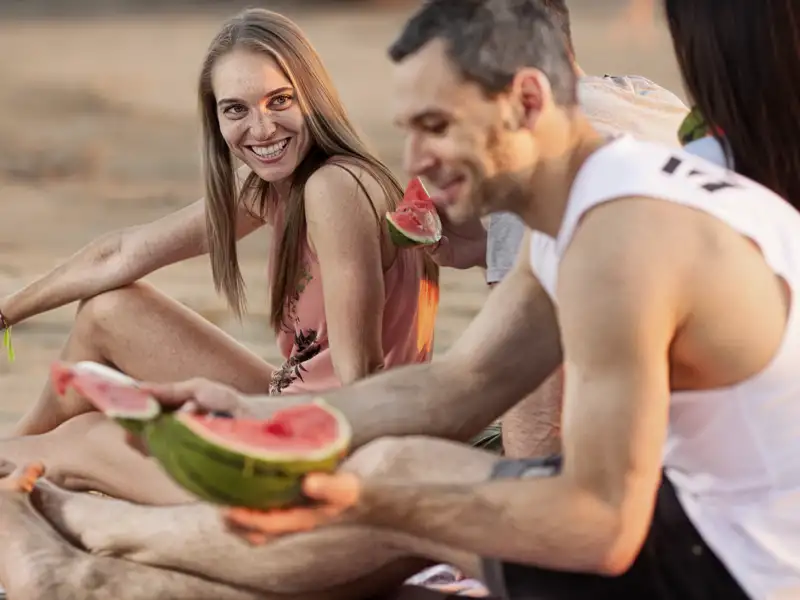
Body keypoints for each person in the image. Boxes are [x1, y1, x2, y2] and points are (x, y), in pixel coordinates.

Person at [2, 1, 800, 599]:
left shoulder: (619, 243)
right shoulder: (585, 201)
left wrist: (376, 498)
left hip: (730, 569)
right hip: (692, 519)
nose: (412, 161)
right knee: (401, 471)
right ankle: (93, 537)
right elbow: (454, 387)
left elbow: (602, 525)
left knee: (399, 489)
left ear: (524, 101)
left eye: (435, 125)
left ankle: (84, 563)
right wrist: (247, 416)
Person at [0, 8, 438, 502]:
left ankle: (15, 464)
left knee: (83, 440)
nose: (262, 128)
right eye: (236, 110)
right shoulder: (277, 188)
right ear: (217, 118)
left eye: (280, 100)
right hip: (289, 405)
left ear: (313, 95)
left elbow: (362, 382)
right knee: (107, 312)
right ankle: (13, 454)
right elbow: (120, 253)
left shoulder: (334, 188)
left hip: (327, 443)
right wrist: (5, 313)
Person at [429, 0, 688, 458]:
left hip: (649, 466)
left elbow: (535, 417)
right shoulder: (651, 101)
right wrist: (489, 248)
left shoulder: (529, 161)